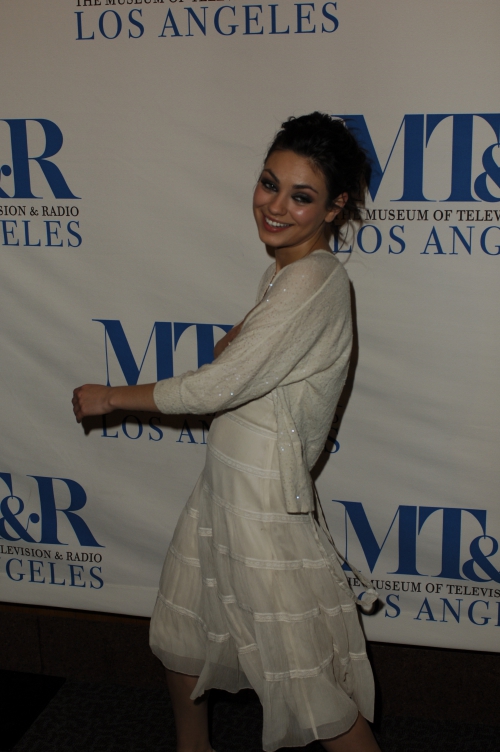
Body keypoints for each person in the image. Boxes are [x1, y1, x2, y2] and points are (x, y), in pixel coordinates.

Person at [72, 112, 381, 752]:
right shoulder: (289, 272)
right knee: (184, 628)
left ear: (335, 207)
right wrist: (245, 335)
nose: (275, 206)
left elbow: (215, 388)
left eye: (301, 196)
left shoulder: (315, 281)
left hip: (263, 504)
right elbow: (250, 356)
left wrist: (110, 397)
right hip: (227, 484)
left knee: (309, 686)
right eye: (270, 183)